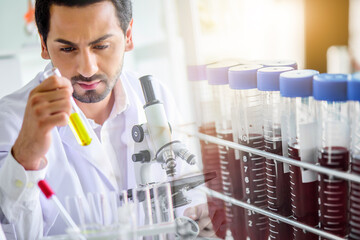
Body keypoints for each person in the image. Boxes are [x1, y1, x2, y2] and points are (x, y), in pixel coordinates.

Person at [0, 0, 219, 239]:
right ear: (43, 44)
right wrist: (25, 156)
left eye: (101, 45)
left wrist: (198, 215)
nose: (87, 68)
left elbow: (185, 186)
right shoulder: (11, 119)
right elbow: (22, 232)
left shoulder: (156, 97)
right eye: (67, 49)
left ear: (128, 36)